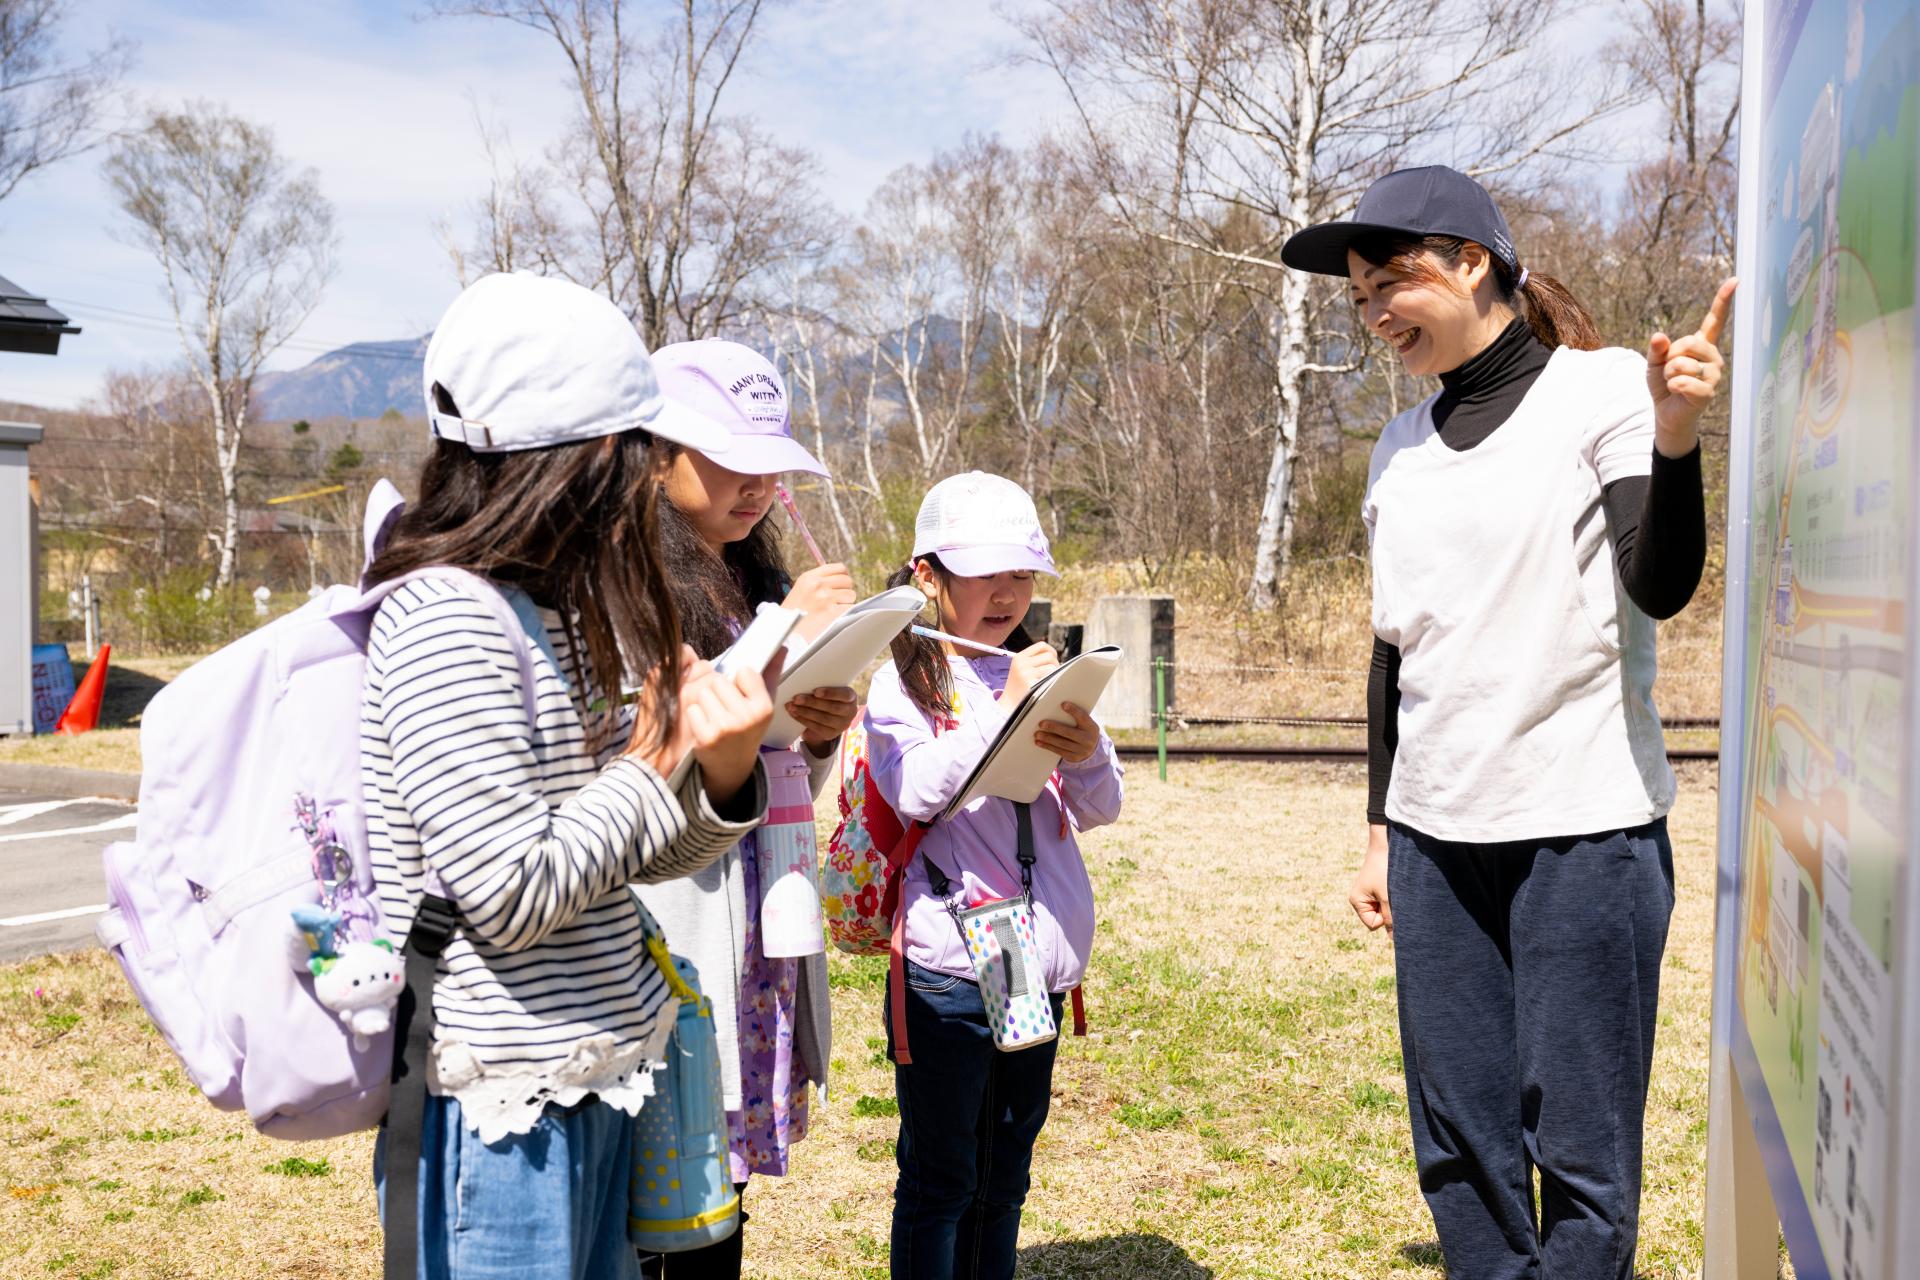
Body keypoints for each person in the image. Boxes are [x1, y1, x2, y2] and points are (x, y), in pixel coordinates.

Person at [1281, 165, 1734, 1280]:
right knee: (1461, 1148)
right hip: (1436, 842)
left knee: (1581, 1153)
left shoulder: (1601, 392)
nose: (1375, 312)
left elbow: (1661, 581)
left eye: (1391, 282)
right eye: (1359, 296)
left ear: (1472, 263)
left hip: (1585, 827)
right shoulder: (1397, 448)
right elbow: (1393, 653)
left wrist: (1676, 437)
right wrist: (1381, 830)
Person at [360, 273, 778, 1280]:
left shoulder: (557, 609)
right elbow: (510, 894)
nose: (646, 481)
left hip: (600, 1070)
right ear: (576, 459)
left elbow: (628, 854)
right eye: (636, 451)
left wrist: (720, 774)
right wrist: (648, 763)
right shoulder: (445, 617)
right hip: (496, 1102)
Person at [636, 338, 862, 1278]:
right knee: (667, 1188)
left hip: (757, 915)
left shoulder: (746, 578)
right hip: (679, 923)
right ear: (655, 456)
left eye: (772, 465)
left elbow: (768, 771)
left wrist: (817, 735)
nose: (760, 485)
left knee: (721, 1189)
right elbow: (661, 750)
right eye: (734, 460)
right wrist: (784, 635)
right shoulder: (630, 585)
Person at [864, 471, 1125, 1280]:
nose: (1008, 594)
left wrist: (1088, 752)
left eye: (1022, 574)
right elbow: (915, 791)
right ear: (927, 576)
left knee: (1003, 1174)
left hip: (1020, 957)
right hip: (948, 962)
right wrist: (1008, 712)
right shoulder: (901, 680)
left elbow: (1102, 807)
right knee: (941, 1178)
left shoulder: (1033, 670)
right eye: (985, 574)